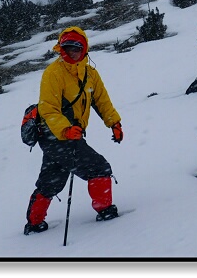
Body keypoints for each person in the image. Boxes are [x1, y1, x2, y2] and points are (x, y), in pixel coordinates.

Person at [23, 26, 124, 235]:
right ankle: (105, 210)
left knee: (51, 179)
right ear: (61, 49)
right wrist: (66, 130)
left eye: (77, 48)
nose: (72, 52)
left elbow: (101, 100)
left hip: (65, 135)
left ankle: (34, 223)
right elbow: (48, 109)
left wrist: (114, 123)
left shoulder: (90, 73)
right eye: (67, 48)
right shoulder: (53, 73)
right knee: (99, 168)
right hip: (56, 135)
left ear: (85, 49)